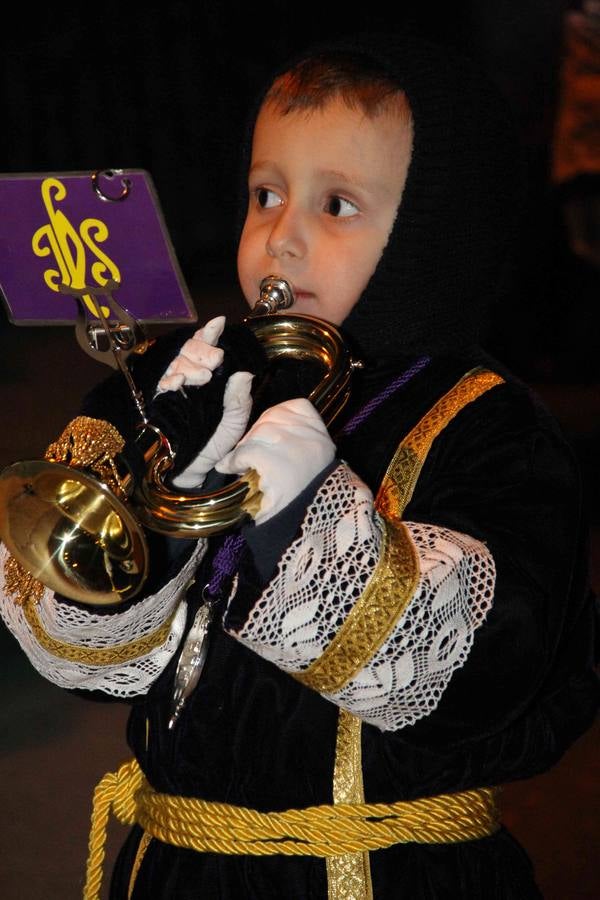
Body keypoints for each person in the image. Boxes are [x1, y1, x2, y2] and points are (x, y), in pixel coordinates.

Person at [1, 33, 598, 900]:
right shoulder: (186, 380)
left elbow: (476, 668)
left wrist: (301, 513)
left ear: (434, 236)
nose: (279, 239)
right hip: (177, 864)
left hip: (383, 873)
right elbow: (79, 654)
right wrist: (170, 507)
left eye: (337, 206)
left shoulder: (492, 429)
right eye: (265, 194)